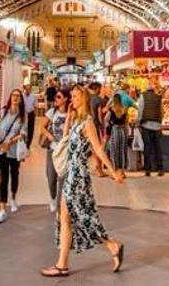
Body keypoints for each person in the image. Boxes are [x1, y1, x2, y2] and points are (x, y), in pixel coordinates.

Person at [41, 84, 125, 278]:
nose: (72, 99)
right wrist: (68, 119)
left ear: (84, 99)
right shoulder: (77, 120)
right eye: (72, 96)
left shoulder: (87, 122)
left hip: (78, 176)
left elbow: (98, 148)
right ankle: (62, 264)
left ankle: (111, 245)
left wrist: (112, 171)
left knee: (82, 216)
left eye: (76, 96)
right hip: (70, 173)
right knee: (66, 218)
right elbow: (65, 140)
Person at [0, 88, 27, 224]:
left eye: (18, 96)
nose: (15, 97)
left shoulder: (22, 115)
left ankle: (13, 197)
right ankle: (2, 209)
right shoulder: (3, 112)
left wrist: (11, 142)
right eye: (13, 95)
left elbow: (23, 133)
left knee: (14, 175)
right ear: (10, 97)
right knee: (3, 178)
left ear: (20, 99)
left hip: (14, 150)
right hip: (3, 150)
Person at [39, 89, 68, 212]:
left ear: (66, 99)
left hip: (65, 151)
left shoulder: (71, 113)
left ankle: (59, 204)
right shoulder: (52, 112)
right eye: (56, 97)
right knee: (51, 178)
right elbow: (41, 126)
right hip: (52, 149)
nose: (56, 99)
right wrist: (49, 135)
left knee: (62, 178)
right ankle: (52, 197)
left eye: (59, 97)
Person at [136, 83, 164, 176]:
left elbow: (140, 110)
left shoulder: (143, 96)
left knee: (147, 147)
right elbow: (162, 111)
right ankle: (160, 169)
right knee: (158, 148)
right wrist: (160, 121)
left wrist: (138, 122)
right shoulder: (158, 97)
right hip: (157, 125)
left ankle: (148, 169)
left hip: (146, 125)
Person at [104, 93, 128, 172]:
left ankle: (115, 169)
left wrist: (109, 123)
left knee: (114, 150)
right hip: (123, 130)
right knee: (122, 150)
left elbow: (105, 119)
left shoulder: (112, 109)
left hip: (114, 130)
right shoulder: (124, 109)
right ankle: (122, 170)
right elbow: (126, 122)